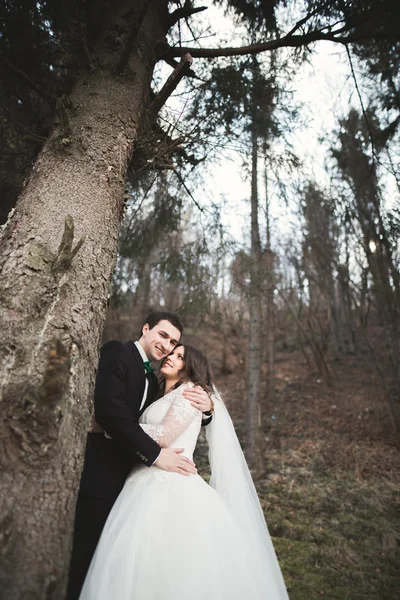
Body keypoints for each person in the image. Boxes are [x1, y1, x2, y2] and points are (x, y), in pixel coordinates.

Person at [79, 344, 289, 600]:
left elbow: (166, 435)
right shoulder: (157, 395)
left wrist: (112, 428)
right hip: (139, 480)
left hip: (169, 483)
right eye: (171, 354)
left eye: (180, 357)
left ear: (190, 368)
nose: (170, 358)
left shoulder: (191, 393)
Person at [67, 312, 213, 600]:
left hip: (136, 480)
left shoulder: (157, 381)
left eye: (174, 343)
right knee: (91, 561)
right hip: (106, 476)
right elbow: (110, 411)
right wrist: (155, 453)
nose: (167, 347)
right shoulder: (119, 353)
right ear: (146, 329)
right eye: (163, 336)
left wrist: (208, 410)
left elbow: (174, 420)